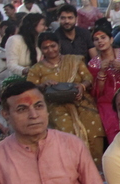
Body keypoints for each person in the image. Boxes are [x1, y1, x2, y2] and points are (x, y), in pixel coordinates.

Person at [27, 32, 106, 164]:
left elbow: (88, 78)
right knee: (66, 131)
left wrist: (82, 86)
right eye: (45, 47)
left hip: (82, 102)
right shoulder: (37, 69)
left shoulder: (74, 60)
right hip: (55, 106)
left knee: (93, 127)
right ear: (41, 49)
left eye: (53, 46)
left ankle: (96, 168)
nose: (50, 50)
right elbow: (30, 90)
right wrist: (42, 86)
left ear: (59, 45)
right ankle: (74, 169)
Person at [88, 23, 120, 140]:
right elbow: (97, 92)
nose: (100, 41)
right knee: (114, 128)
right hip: (107, 103)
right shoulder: (93, 63)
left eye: (103, 38)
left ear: (111, 39)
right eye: (96, 39)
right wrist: (101, 72)